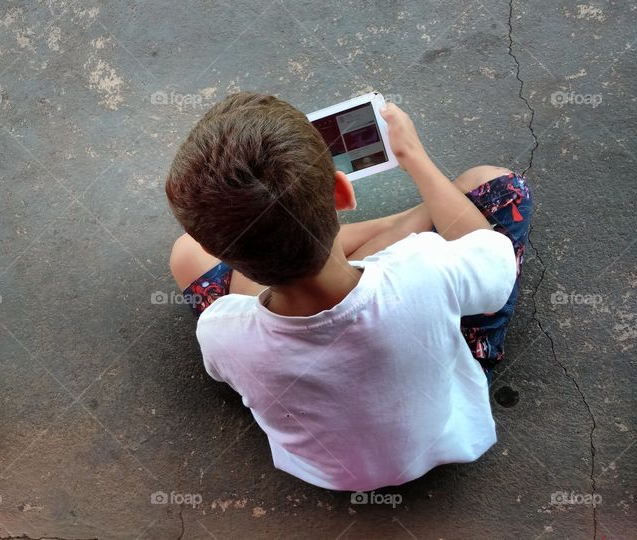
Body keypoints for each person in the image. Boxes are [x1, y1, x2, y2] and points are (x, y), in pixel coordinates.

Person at [164, 92, 532, 491]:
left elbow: (235, 299)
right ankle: (400, 220)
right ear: (343, 193)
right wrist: (414, 159)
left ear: (217, 249)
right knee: (491, 183)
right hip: (445, 428)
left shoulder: (221, 333)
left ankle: (307, 241)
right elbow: (495, 263)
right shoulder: (425, 265)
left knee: (184, 254)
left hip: (330, 470)